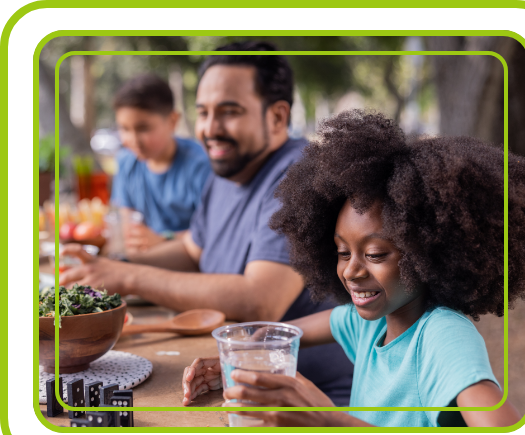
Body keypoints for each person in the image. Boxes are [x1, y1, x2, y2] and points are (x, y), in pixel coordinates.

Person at [182, 109, 525, 427]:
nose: (351, 271)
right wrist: (236, 358)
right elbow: (280, 335)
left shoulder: (442, 336)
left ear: (431, 251)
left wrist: (329, 422)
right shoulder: (371, 322)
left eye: (376, 254)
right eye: (342, 252)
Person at [61, 41, 354, 406]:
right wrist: (114, 265)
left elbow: (260, 300)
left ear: (278, 117)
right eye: (203, 112)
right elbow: (191, 248)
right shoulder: (228, 171)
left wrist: (127, 278)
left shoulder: (299, 176)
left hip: (312, 400)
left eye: (229, 112)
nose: (210, 129)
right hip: (233, 380)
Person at [111, 74, 211, 252]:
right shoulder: (126, 162)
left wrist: (164, 239)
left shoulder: (201, 167)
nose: (133, 140)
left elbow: (213, 233)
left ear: (172, 121)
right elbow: (127, 222)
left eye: (143, 128)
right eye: (124, 129)